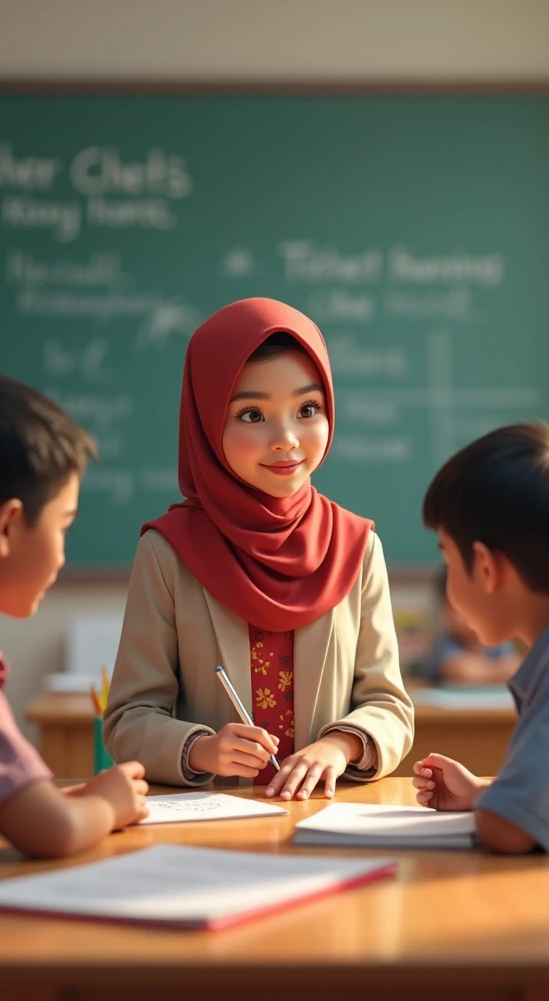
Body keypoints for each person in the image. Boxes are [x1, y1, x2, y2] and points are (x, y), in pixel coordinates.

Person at [104, 297, 414, 802]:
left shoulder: (357, 545)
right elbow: (128, 719)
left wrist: (339, 747)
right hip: (213, 826)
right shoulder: (169, 551)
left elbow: (389, 705)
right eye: (252, 414)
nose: (287, 439)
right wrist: (201, 749)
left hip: (326, 819)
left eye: (307, 409)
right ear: (206, 423)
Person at [0, 373, 150, 927]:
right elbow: (51, 832)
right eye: (63, 524)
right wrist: (109, 805)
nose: (63, 553)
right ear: (6, 527)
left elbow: (22, 813)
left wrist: (59, 804)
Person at [412, 422, 549, 882]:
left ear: (485, 567)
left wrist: (498, 807)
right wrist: (487, 792)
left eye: (447, 559)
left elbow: (509, 831)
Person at [422, 568, 520, 684]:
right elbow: (461, 671)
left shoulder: (498, 643)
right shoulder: (445, 644)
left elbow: (514, 668)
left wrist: (481, 670)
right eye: (453, 609)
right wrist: (496, 670)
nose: (460, 618)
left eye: (464, 609)